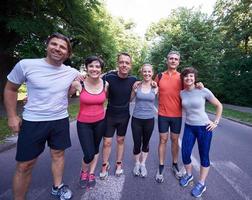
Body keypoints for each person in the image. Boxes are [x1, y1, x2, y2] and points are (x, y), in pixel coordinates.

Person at [4, 33, 79, 200]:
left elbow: (90, 78)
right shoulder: (26, 65)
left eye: (62, 47)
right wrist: (12, 116)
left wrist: (75, 85)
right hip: (33, 121)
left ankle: (57, 187)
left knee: (58, 154)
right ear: (47, 45)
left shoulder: (72, 72)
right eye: (54, 44)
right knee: (25, 164)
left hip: (60, 120)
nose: (57, 49)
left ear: (67, 54)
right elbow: (10, 89)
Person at [179, 67, 222, 198]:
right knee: (185, 153)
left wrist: (215, 122)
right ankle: (189, 174)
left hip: (204, 127)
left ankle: (202, 184)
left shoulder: (203, 90)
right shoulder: (182, 93)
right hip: (189, 127)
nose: (189, 78)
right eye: (186, 76)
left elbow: (219, 105)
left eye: (191, 76)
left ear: (195, 78)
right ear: (183, 79)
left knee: (204, 156)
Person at [69, 56, 108, 189]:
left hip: (100, 122)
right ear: (86, 67)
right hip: (83, 123)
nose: (94, 69)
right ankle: (83, 172)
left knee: (96, 149)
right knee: (88, 153)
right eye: (91, 66)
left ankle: (91, 173)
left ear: (101, 69)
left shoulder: (105, 84)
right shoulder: (79, 83)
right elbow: (64, 96)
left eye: (97, 66)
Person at [99, 52, 137, 179]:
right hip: (110, 114)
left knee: (120, 140)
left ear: (130, 65)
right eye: (121, 62)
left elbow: (132, 98)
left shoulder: (133, 80)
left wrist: (153, 84)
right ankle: (105, 164)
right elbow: (95, 79)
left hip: (124, 115)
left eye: (127, 63)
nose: (124, 65)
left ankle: (118, 164)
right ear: (118, 64)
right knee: (107, 142)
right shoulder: (109, 77)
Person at [155, 51, 184, 183]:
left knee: (174, 140)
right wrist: (138, 84)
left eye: (175, 59)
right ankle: (161, 166)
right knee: (163, 140)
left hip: (177, 115)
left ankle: (174, 164)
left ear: (178, 62)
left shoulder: (182, 77)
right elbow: (150, 88)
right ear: (167, 60)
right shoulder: (159, 76)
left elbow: (191, 89)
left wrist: (199, 85)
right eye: (171, 58)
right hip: (162, 114)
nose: (173, 61)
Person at [130, 64, 158, 177]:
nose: (147, 74)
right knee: (137, 144)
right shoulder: (137, 85)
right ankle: (137, 163)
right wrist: (133, 90)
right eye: (145, 71)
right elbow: (130, 99)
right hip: (136, 119)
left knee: (145, 144)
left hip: (149, 120)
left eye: (149, 72)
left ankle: (143, 164)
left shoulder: (155, 87)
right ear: (141, 73)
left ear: (152, 73)